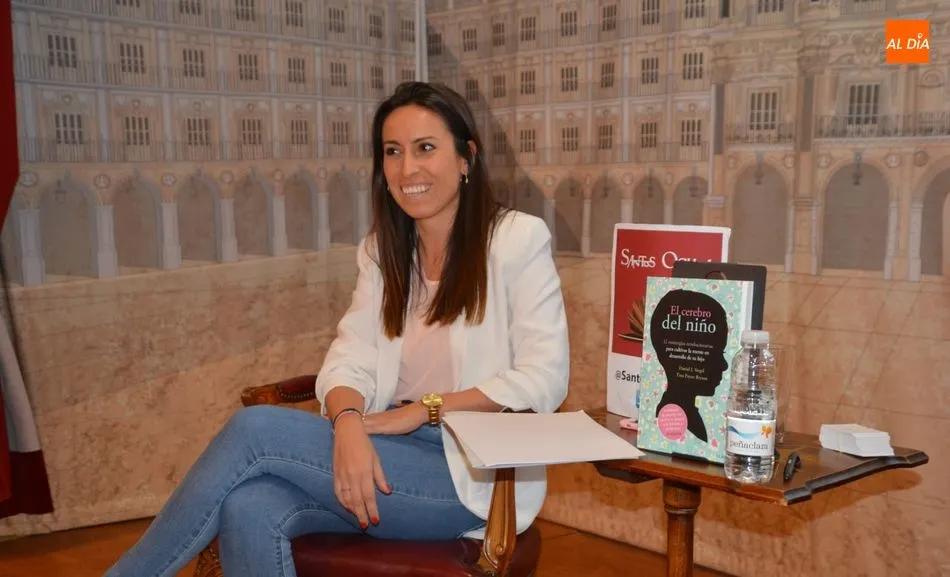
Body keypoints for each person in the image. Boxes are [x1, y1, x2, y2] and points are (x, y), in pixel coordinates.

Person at [104, 81, 569, 577]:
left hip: (469, 473)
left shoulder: (517, 239)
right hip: (381, 442)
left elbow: (545, 377)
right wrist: (347, 425)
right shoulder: (381, 251)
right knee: (250, 506)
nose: (407, 168)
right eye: (393, 152)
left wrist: (422, 411)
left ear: (465, 158)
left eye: (425, 148)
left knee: (254, 428)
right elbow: (348, 358)